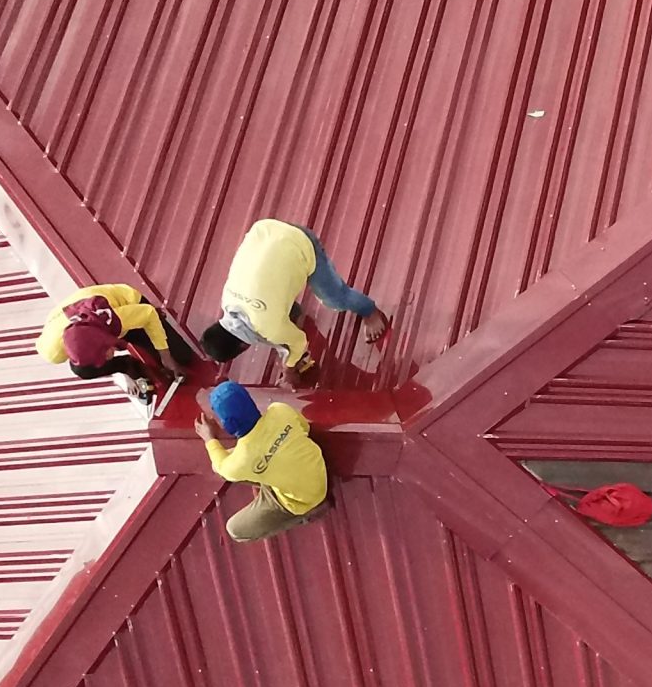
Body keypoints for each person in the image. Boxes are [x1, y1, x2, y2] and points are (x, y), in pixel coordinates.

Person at [198, 220, 389, 380]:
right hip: (267, 230)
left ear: (243, 345)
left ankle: (369, 311)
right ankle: (293, 313)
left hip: (300, 243)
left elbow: (299, 342)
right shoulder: (228, 301)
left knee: (336, 299)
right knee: (272, 305)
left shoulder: (269, 327)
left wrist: (289, 368)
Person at [194, 381, 331, 544]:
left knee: (235, 530)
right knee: (242, 463)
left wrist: (209, 439)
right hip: (317, 472)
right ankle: (270, 474)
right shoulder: (279, 410)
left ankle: (307, 513)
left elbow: (222, 468)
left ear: (226, 424)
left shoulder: (242, 459)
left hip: (301, 500)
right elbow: (305, 429)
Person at [36, 284, 188, 396]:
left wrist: (165, 355)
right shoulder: (53, 352)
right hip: (94, 326)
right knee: (82, 370)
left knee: (182, 357)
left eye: (105, 353)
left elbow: (148, 314)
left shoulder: (112, 318)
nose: (109, 357)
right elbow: (52, 318)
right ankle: (124, 367)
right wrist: (120, 376)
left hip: (128, 304)